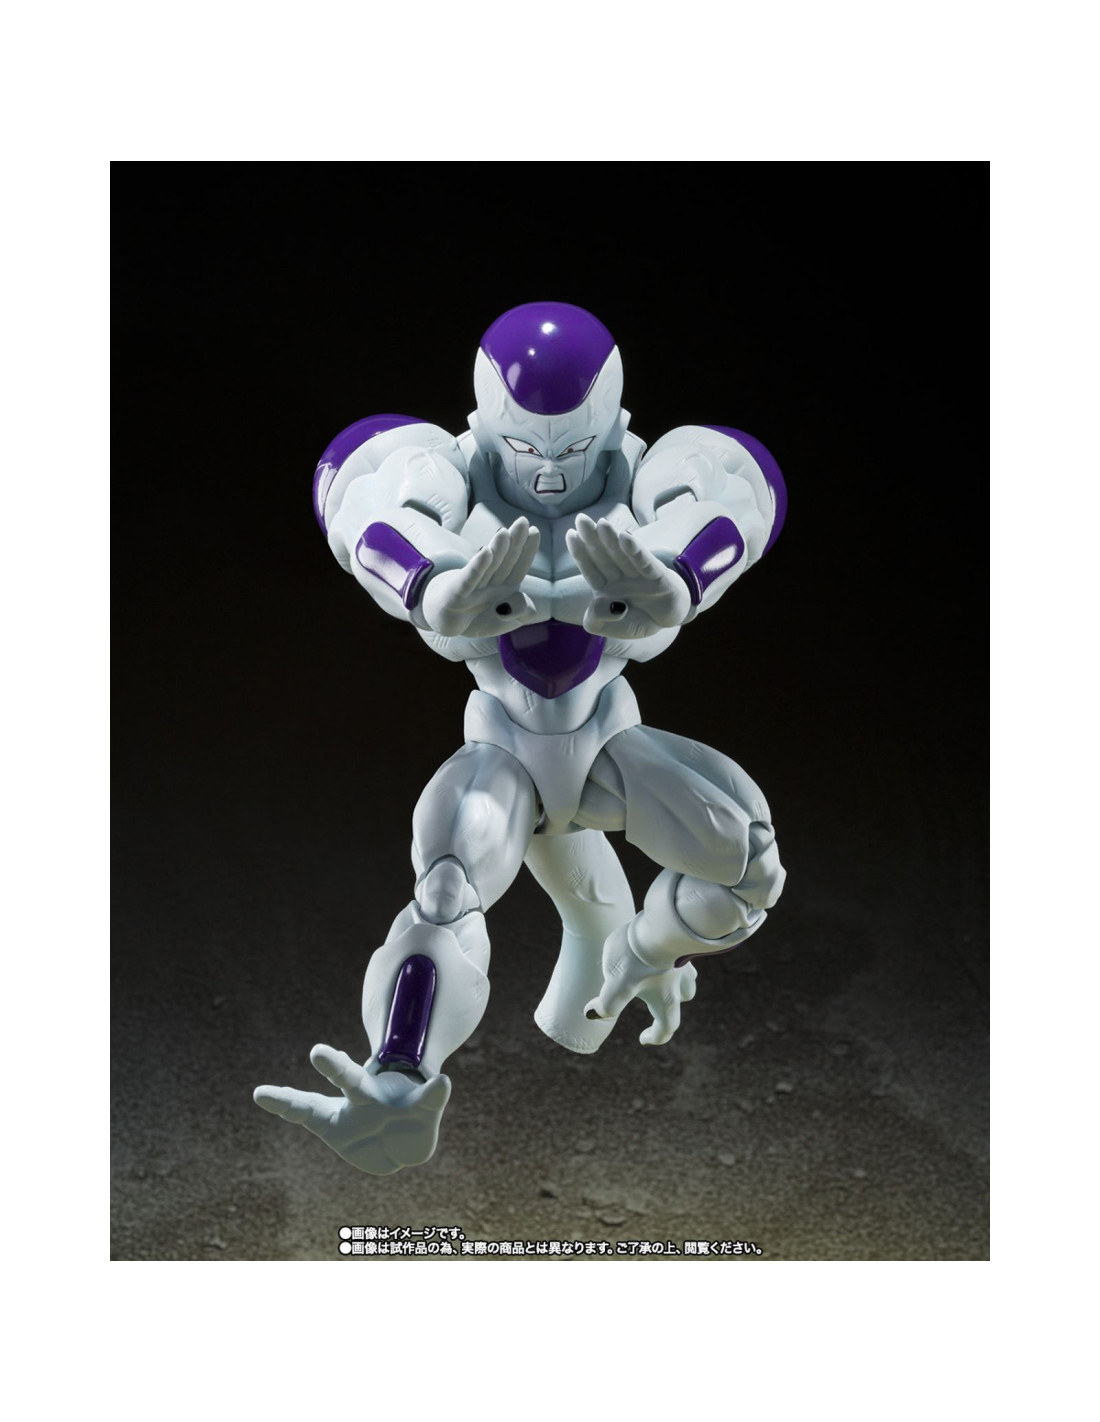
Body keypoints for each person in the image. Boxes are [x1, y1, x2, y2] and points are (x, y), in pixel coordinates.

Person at [255, 301, 787, 1174]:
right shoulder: (445, 474)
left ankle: (633, 955)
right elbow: (366, 516)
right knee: (446, 888)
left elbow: (737, 500)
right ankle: (401, 1072)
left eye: (571, 450)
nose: (546, 474)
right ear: (483, 422)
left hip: (610, 745)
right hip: (503, 753)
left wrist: (681, 578)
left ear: (611, 422)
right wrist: (430, 587)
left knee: (751, 865)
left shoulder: (653, 477)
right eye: (525, 450)